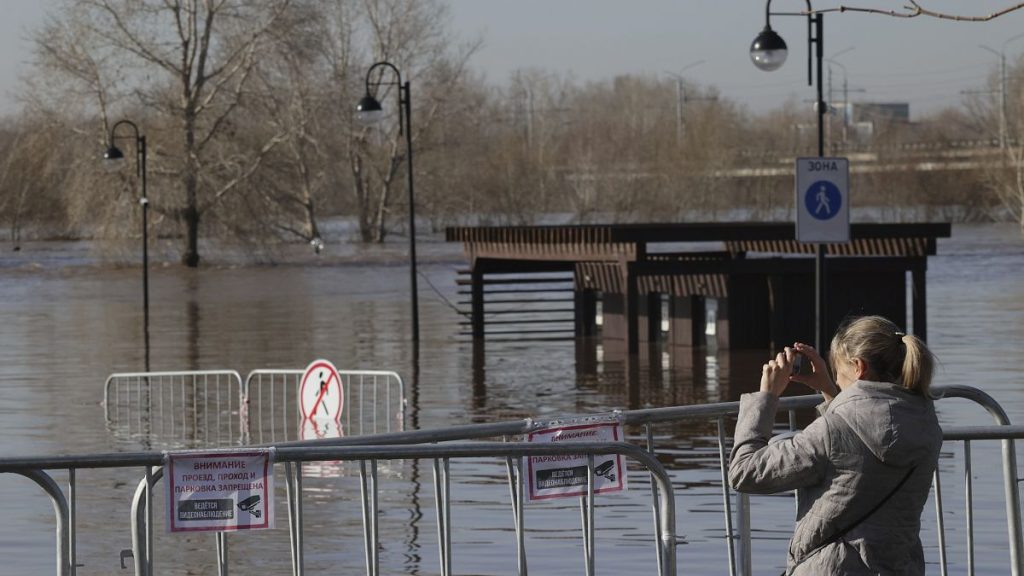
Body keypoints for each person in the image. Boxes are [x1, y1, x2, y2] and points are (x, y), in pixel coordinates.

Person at [728, 315, 942, 575]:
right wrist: (831, 392)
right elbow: (864, 438)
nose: (838, 379)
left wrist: (767, 397)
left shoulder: (830, 432)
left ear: (858, 367)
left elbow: (745, 472)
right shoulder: (926, 424)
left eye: (838, 371)